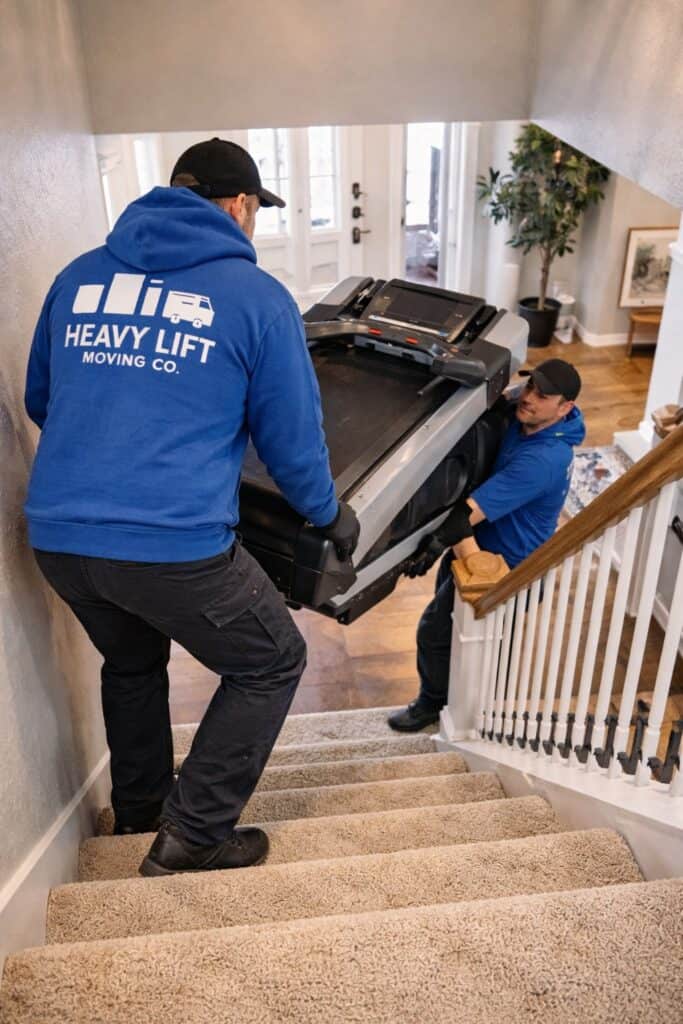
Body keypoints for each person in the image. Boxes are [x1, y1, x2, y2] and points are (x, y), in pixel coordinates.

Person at [24, 138, 359, 875]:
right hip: (170, 544)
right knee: (272, 660)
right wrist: (330, 514)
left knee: (131, 658)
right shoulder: (256, 297)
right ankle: (195, 835)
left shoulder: (79, 276)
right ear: (240, 206)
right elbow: (290, 442)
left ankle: (140, 810)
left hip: (56, 538)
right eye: (254, 212)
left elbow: (41, 399)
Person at [388, 358, 585, 732]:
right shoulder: (533, 416)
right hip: (479, 546)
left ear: (565, 408)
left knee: (443, 635)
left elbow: (462, 518)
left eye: (543, 396)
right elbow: (500, 397)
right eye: (530, 387)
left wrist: (426, 551)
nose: (529, 397)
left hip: (508, 569)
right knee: (461, 633)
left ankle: (442, 708)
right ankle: (459, 704)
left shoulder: (543, 459)